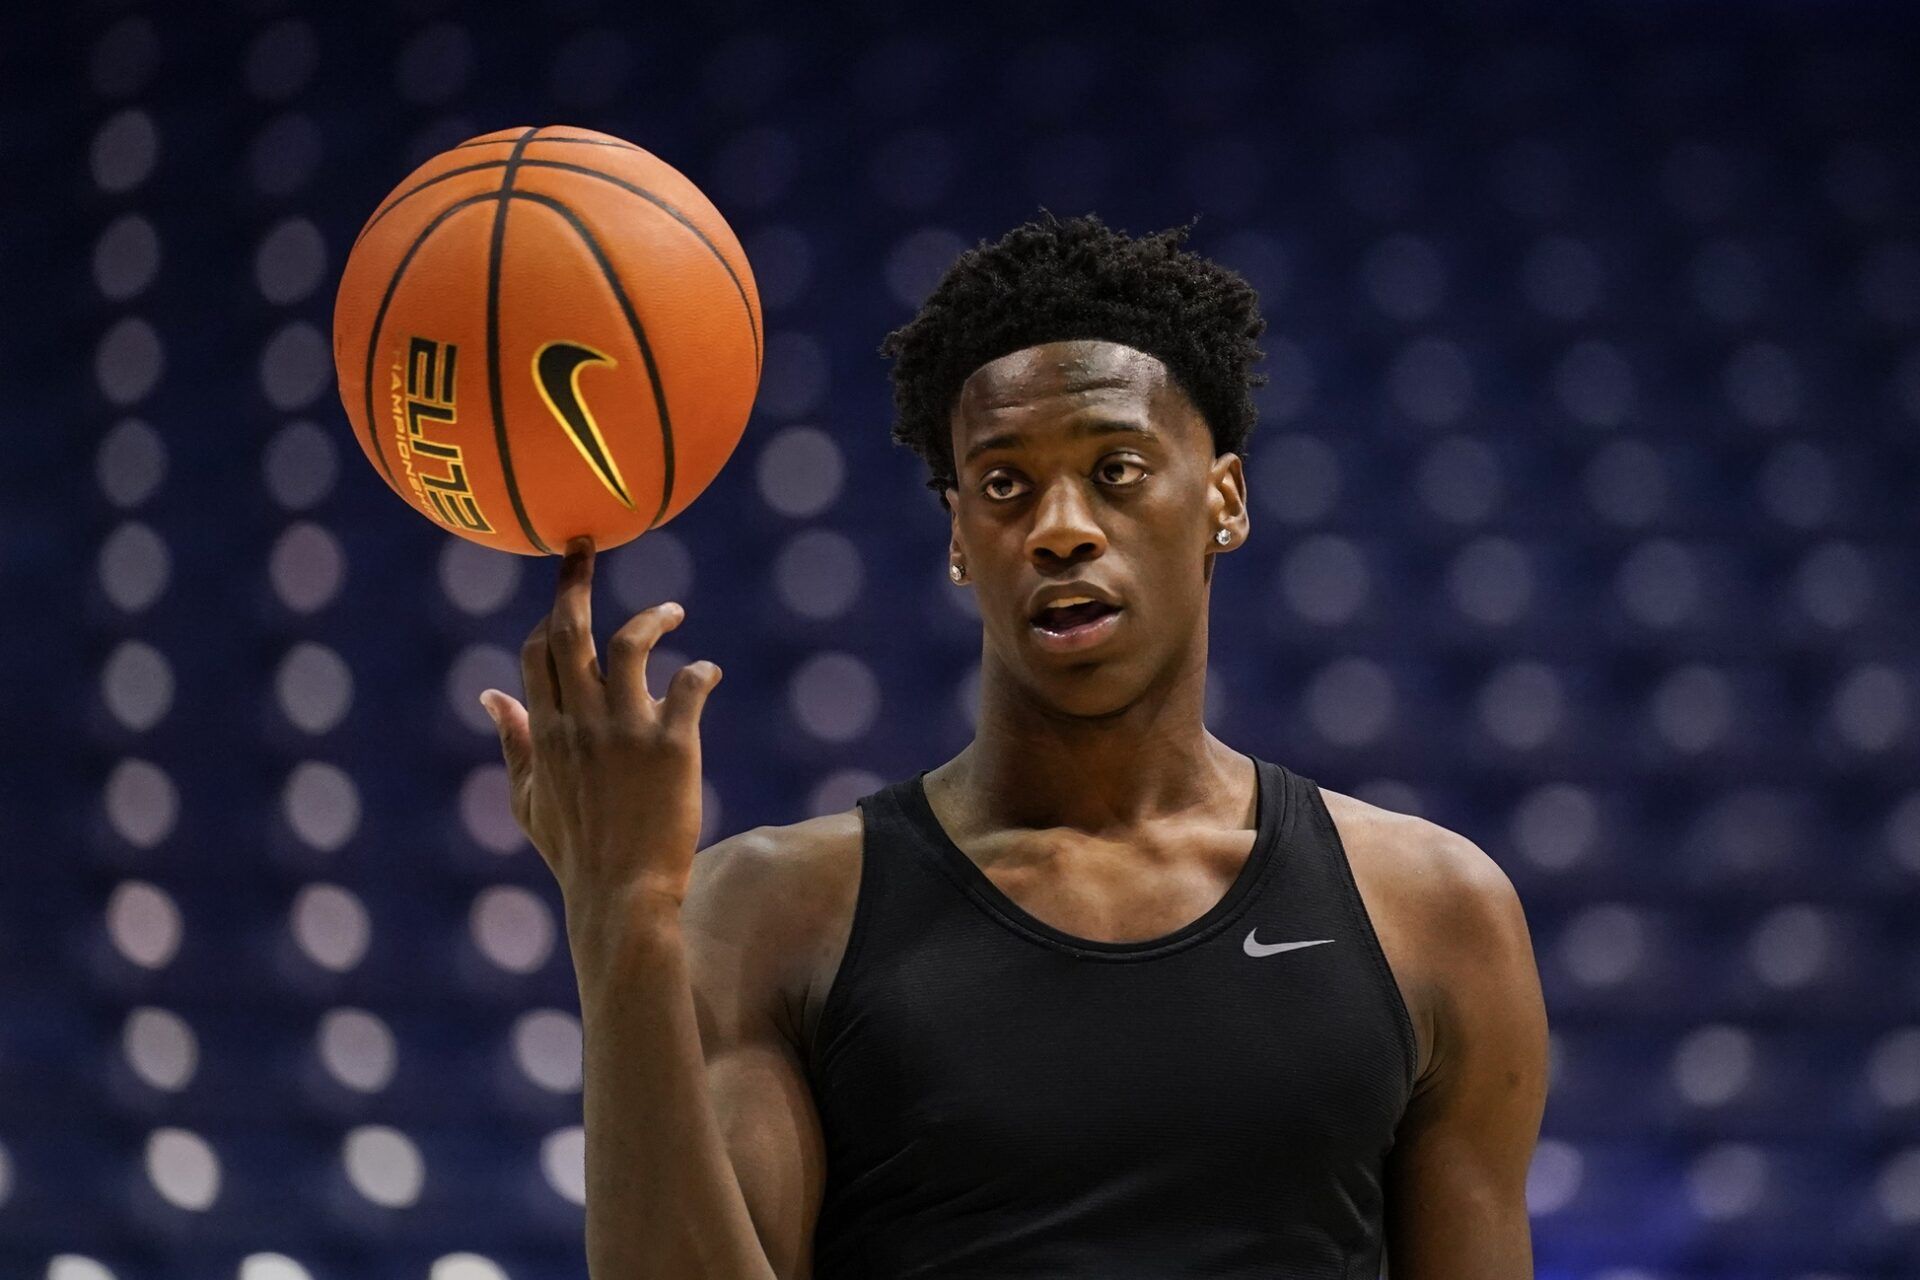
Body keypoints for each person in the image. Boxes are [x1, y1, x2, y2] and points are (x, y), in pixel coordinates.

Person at [478, 213, 1549, 1279]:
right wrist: (618, 911)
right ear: (958, 536)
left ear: (1223, 497)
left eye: (1118, 469)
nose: (1060, 525)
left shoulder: (1437, 911)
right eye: (1004, 484)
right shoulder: (775, 910)